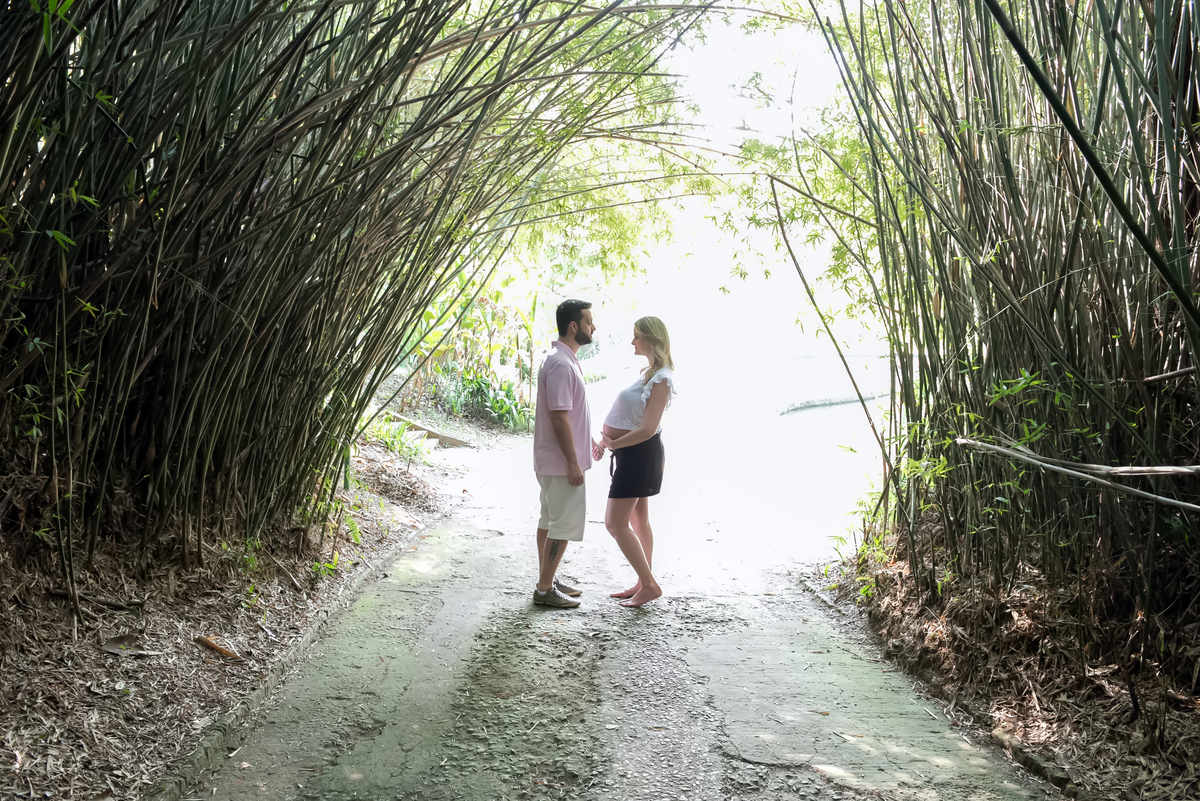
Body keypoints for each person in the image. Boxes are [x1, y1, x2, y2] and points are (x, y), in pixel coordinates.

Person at [599, 316, 676, 608]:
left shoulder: (662, 379)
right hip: (634, 453)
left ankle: (650, 585)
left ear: (652, 340)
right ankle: (644, 582)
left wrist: (613, 443)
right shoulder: (651, 374)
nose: (633, 342)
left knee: (614, 523)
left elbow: (647, 429)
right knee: (638, 520)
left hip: (639, 454)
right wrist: (609, 441)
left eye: (637, 336)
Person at [531, 299, 603, 609]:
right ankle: (545, 589)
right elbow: (559, 418)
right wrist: (573, 462)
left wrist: (589, 441)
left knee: (549, 520)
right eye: (588, 322)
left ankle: (547, 578)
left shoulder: (561, 359)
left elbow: (569, 414)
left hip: (554, 460)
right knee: (562, 525)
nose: (593, 327)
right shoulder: (561, 364)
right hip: (561, 464)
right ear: (574, 326)